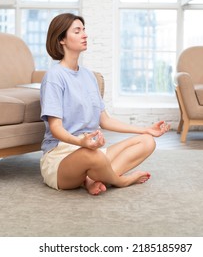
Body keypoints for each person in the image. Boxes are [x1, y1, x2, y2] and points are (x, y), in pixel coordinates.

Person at [40, 13, 170, 195]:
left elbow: (105, 120)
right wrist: (81, 142)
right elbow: (55, 128)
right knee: (92, 155)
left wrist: (145, 129)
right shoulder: (54, 77)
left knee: (147, 142)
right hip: (61, 157)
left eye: (84, 30)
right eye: (77, 31)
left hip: (92, 150)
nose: (84, 35)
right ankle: (120, 180)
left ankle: (92, 180)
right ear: (62, 39)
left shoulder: (89, 76)